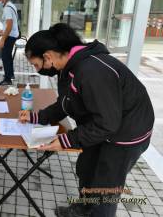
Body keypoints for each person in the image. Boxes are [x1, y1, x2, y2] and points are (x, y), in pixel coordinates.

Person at [19, 23, 154, 217]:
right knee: (86, 169)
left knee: (104, 189)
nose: (38, 69)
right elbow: (66, 102)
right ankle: (82, 210)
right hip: (100, 127)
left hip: (125, 135)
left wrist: (67, 140)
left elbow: (107, 123)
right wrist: (37, 117)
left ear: (48, 56)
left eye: (36, 64)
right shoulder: (70, 67)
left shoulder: (92, 71)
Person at [0, 0, 20, 85]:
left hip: (10, 36)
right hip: (12, 34)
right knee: (8, 56)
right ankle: (11, 75)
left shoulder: (7, 8)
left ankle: (8, 79)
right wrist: (3, 31)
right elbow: (9, 24)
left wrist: (2, 40)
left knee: (5, 57)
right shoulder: (11, 5)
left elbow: (9, 25)